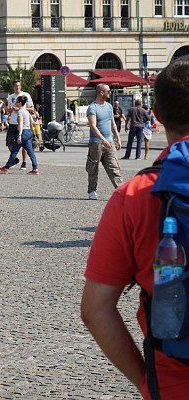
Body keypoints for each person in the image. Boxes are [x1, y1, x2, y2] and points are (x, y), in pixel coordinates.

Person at [81, 56, 189, 400]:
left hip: (174, 377)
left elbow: (95, 310)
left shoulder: (134, 196)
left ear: (155, 114)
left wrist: (145, 378)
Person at [86, 83, 123, 200]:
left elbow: (112, 123)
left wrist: (118, 137)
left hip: (110, 142)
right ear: (101, 92)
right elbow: (93, 126)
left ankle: (121, 190)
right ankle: (92, 191)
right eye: (108, 91)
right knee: (93, 168)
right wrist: (102, 139)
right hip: (96, 143)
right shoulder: (92, 107)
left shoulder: (109, 106)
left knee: (114, 167)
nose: (110, 93)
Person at [0, 95, 39, 174]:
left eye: (16, 102)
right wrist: (33, 133)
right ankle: (35, 168)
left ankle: (6, 167)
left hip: (23, 132)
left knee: (14, 151)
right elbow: (32, 122)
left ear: (20, 103)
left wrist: (19, 135)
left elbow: (20, 124)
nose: (15, 103)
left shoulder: (20, 112)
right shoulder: (27, 111)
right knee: (30, 152)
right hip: (28, 131)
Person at [7, 80, 34, 170]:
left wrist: (20, 108)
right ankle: (15, 159)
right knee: (9, 143)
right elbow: (8, 110)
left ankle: (24, 162)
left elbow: (32, 109)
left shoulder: (26, 95)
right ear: (13, 87)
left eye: (19, 85)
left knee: (24, 144)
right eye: (15, 86)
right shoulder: (11, 97)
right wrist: (11, 109)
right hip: (13, 122)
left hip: (23, 123)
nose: (17, 87)